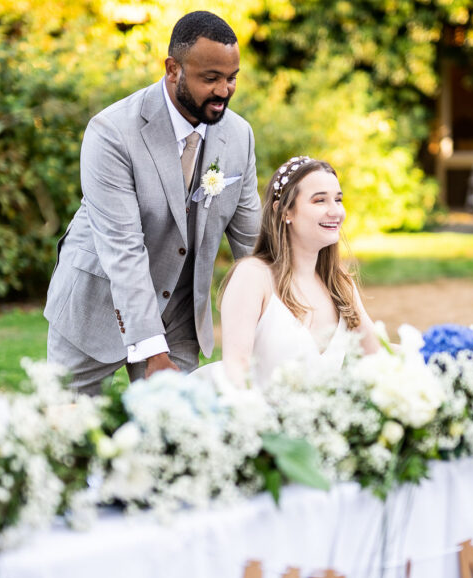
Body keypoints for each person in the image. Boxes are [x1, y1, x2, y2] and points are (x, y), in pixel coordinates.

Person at [44, 11, 260, 395]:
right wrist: (151, 352)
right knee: (69, 433)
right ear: (173, 69)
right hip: (96, 302)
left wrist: (291, 314)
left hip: (178, 311)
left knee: (178, 435)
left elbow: (255, 244)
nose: (224, 91)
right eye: (210, 78)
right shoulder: (111, 133)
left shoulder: (239, 136)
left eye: (231, 78)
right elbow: (123, 250)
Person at [207, 156, 380, 389]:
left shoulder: (339, 283)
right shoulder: (253, 277)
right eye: (320, 200)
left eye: (338, 200)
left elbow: (377, 355)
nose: (335, 211)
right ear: (285, 212)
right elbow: (236, 370)